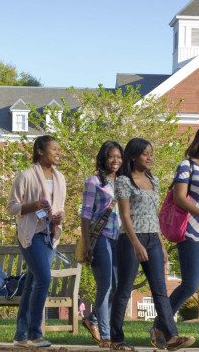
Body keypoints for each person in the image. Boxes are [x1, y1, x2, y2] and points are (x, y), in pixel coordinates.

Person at [110, 138, 195, 352]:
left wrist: (161, 243)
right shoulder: (123, 181)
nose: (150, 157)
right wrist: (137, 244)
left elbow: (153, 215)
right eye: (145, 154)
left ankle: (171, 336)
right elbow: (125, 216)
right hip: (131, 239)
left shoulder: (153, 180)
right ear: (133, 156)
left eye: (151, 153)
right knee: (124, 289)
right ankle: (117, 339)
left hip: (153, 239)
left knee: (160, 290)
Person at [154, 125, 199, 349]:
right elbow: (179, 197)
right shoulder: (187, 165)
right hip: (191, 231)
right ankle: (160, 325)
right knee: (190, 285)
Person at [8, 135, 67, 348]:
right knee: (44, 278)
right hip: (31, 234)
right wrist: (33, 206)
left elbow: (60, 207)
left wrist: (58, 217)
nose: (58, 153)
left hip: (50, 235)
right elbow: (12, 207)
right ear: (40, 151)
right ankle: (35, 334)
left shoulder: (60, 179)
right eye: (54, 149)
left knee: (32, 283)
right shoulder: (25, 176)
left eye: (59, 150)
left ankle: (20, 336)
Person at [80, 141, 123, 348]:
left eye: (119, 157)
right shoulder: (94, 182)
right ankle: (106, 336)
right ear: (104, 158)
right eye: (111, 156)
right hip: (101, 238)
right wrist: (88, 243)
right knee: (105, 285)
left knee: (117, 285)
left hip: (120, 238)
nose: (116, 161)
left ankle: (93, 319)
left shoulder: (123, 182)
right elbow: (86, 215)